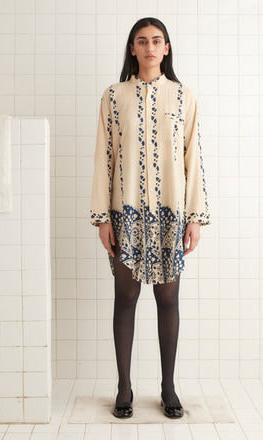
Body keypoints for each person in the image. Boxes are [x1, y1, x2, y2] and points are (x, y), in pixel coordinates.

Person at [89, 17, 210, 419]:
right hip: (124, 214)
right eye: (142, 41)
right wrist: (102, 217)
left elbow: (194, 160)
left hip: (171, 214)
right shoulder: (112, 96)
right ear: (132, 49)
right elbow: (103, 159)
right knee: (125, 297)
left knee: (168, 298)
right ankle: (124, 387)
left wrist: (195, 217)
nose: (150, 47)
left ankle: (168, 387)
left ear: (167, 48)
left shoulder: (184, 97)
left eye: (157, 41)